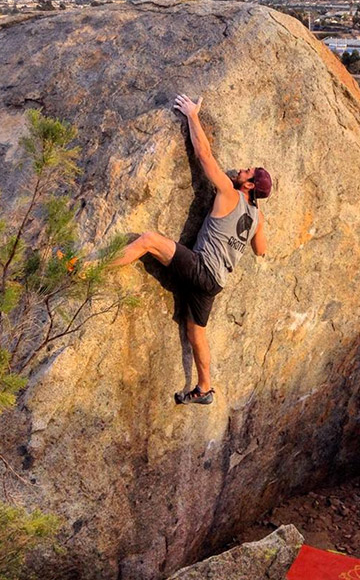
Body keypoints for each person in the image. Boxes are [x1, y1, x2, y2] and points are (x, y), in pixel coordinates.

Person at [111, 93, 271, 405]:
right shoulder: (258, 217)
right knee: (196, 331)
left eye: (248, 172)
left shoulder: (228, 192)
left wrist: (192, 116)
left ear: (249, 186)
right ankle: (204, 387)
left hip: (201, 267)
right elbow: (261, 251)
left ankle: (88, 269)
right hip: (215, 283)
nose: (242, 169)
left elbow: (204, 157)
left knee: (148, 240)